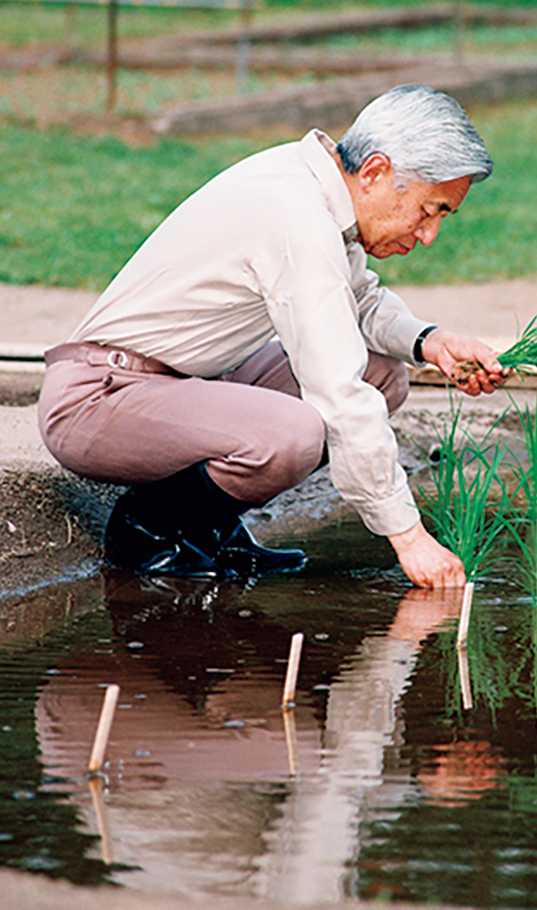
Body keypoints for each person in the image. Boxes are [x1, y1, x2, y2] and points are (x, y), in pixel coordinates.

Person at [38, 84, 504, 589]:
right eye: (429, 210)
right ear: (375, 172)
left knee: (383, 373)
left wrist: (431, 342)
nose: (429, 234)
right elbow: (338, 391)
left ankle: (207, 527)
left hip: (180, 381)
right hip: (98, 397)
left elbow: (356, 298)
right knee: (293, 433)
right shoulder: (299, 218)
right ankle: (148, 528)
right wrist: (410, 538)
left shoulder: (317, 189)